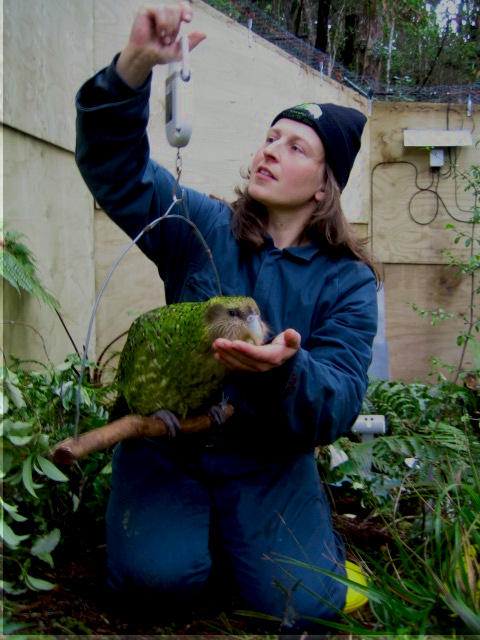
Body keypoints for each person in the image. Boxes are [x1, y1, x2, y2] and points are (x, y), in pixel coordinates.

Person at [75, 3, 380, 634]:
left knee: (303, 606)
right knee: (152, 583)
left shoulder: (346, 280)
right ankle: (187, 538)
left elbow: (342, 399)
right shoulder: (204, 228)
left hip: (268, 460)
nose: (271, 149)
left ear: (324, 186)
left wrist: (282, 374)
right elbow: (117, 172)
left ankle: (263, 537)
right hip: (170, 447)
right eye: (271, 136)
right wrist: (134, 69)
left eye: (296, 146)